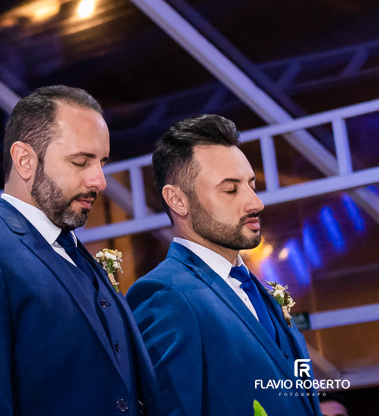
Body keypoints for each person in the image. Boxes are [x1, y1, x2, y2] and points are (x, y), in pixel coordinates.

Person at [0, 85, 163, 416]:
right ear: (25, 160)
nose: (99, 181)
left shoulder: (78, 254)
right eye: (81, 162)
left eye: (102, 162)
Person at [127, 116, 320, 416]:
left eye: (252, 185)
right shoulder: (165, 296)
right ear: (177, 200)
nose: (255, 203)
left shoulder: (258, 290)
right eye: (231, 190)